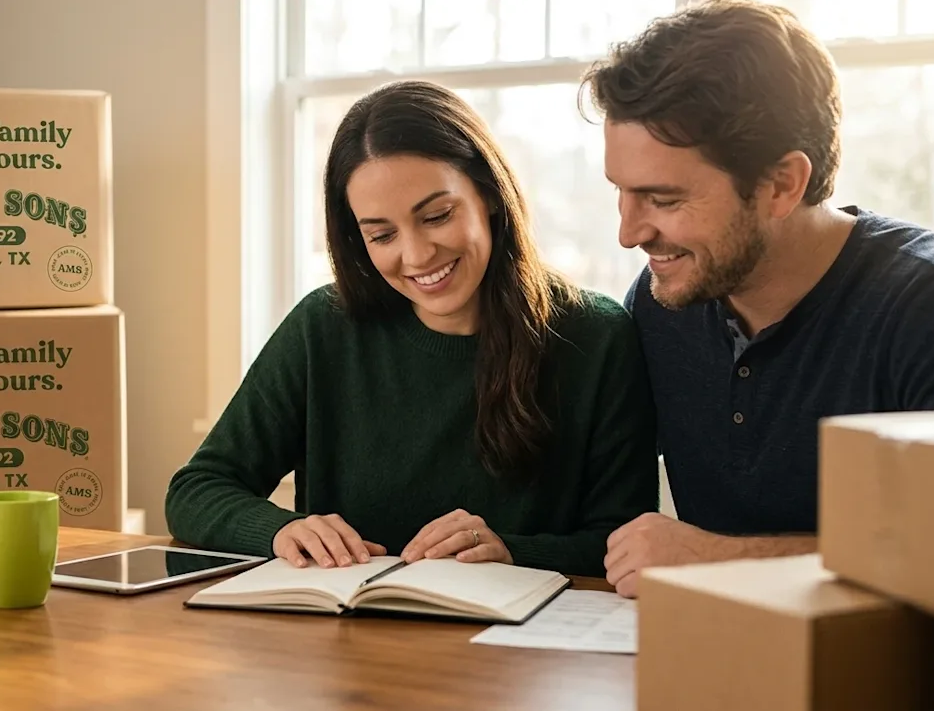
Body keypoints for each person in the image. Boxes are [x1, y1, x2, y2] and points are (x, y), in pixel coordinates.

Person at [164, 79, 659, 579]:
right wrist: (277, 530)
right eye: (381, 234)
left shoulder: (596, 337)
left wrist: (510, 551)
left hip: (518, 646)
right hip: (346, 641)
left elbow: (623, 544)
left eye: (437, 216)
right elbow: (197, 489)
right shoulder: (324, 326)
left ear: (488, 193)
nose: (418, 256)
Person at [580, 0, 934, 597]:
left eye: (664, 200)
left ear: (781, 185)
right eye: (621, 192)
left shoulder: (924, 309)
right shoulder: (661, 301)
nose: (629, 233)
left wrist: (717, 559)